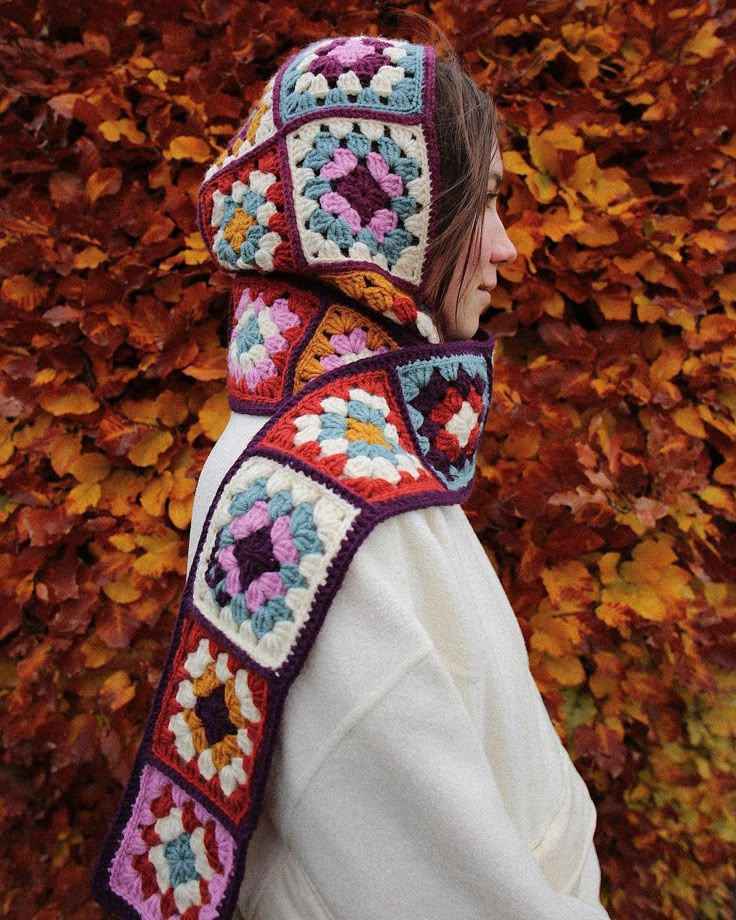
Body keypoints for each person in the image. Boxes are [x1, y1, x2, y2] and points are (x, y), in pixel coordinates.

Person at [93, 31, 612, 920]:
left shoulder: (288, 448)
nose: (508, 247)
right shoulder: (341, 513)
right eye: (481, 207)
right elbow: (451, 893)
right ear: (388, 240)